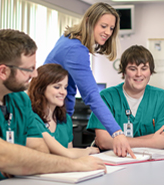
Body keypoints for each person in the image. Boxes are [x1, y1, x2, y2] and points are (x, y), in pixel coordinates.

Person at [0, 29, 105, 184]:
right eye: (29, 69)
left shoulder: (20, 99)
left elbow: (40, 149)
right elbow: (2, 156)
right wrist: (75, 165)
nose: (35, 75)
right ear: (3, 71)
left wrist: (17, 162)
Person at [43, 2, 134, 158]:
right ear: (88, 21)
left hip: (58, 115)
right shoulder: (76, 49)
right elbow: (91, 95)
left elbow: (70, 89)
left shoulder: (68, 38)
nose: (108, 32)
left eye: (111, 28)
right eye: (104, 26)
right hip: (48, 117)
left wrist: (67, 120)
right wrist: (117, 132)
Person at [87, 45, 164, 150]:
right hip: (115, 162)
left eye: (144, 68)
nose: (139, 74)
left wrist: (116, 140)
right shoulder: (107, 97)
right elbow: (103, 142)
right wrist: (152, 141)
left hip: (150, 162)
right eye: (132, 69)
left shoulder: (160, 98)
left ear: (150, 71)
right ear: (124, 72)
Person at [28, 63, 99, 158]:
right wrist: (89, 150)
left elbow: (71, 153)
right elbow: (68, 154)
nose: (63, 92)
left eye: (65, 87)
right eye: (57, 87)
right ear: (41, 88)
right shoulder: (32, 118)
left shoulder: (65, 119)